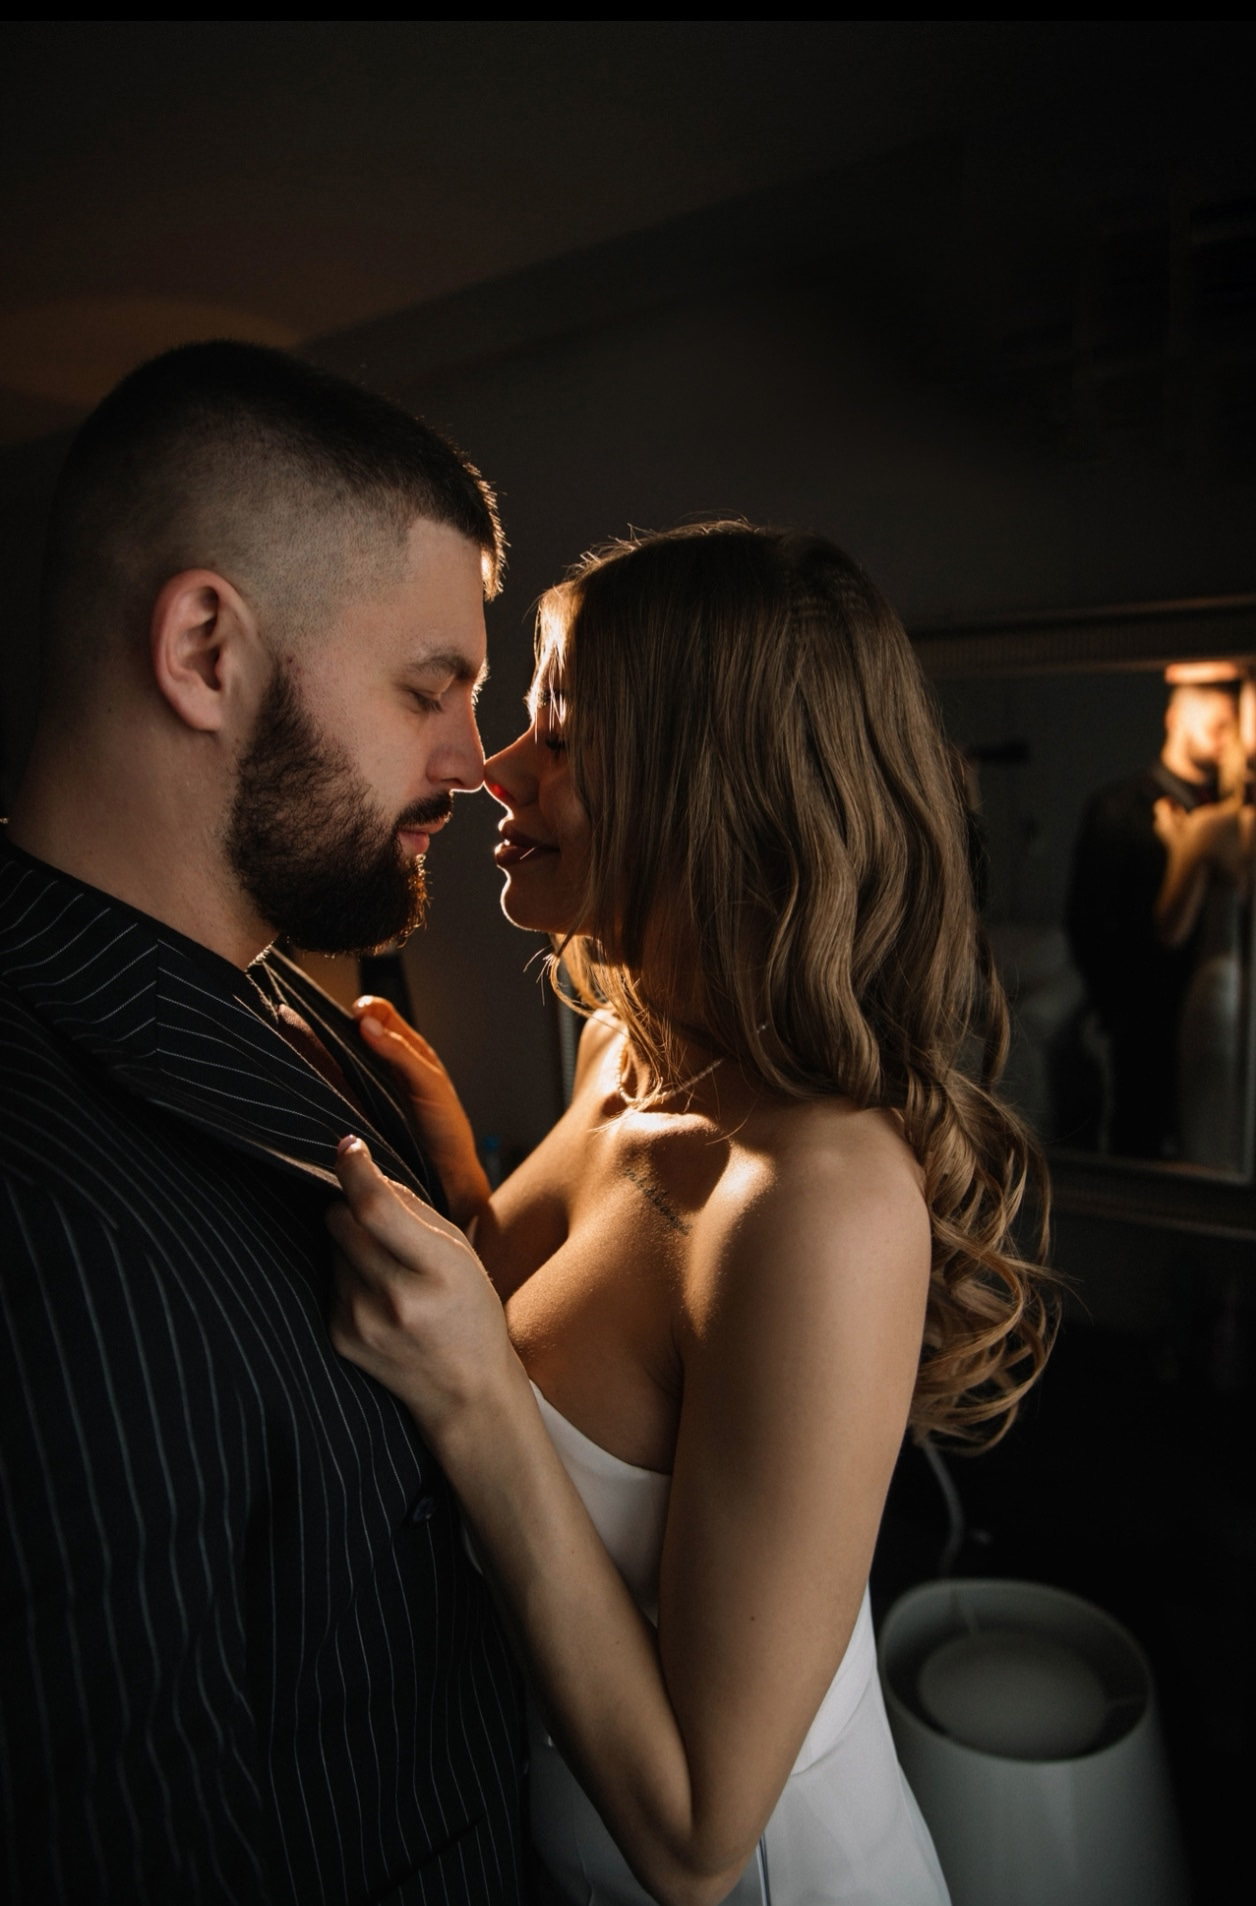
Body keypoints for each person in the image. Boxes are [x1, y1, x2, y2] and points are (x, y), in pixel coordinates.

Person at [326, 525, 1057, 1906]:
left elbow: (700, 1839)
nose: (493, 769)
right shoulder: (624, 1046)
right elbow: (590, 1375)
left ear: (711, 787)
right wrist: (464, 1190)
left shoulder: (818, 1203)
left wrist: (470, 1390)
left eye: (559, 737)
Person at [0, 343, 528, 1902]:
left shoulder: (284, 993)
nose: (476, 764)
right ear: (205, 651)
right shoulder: (38, 1216)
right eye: (428, 689)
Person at [1065, 662, 1253, 1158]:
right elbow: (1090, 925)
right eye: (1211, 708)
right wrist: (1119, 1016)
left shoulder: (1230, 813)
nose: (1226, 725)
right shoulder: (1118, 808)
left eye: (1233, 717)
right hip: (1142, 1023)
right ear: (1174, 715)